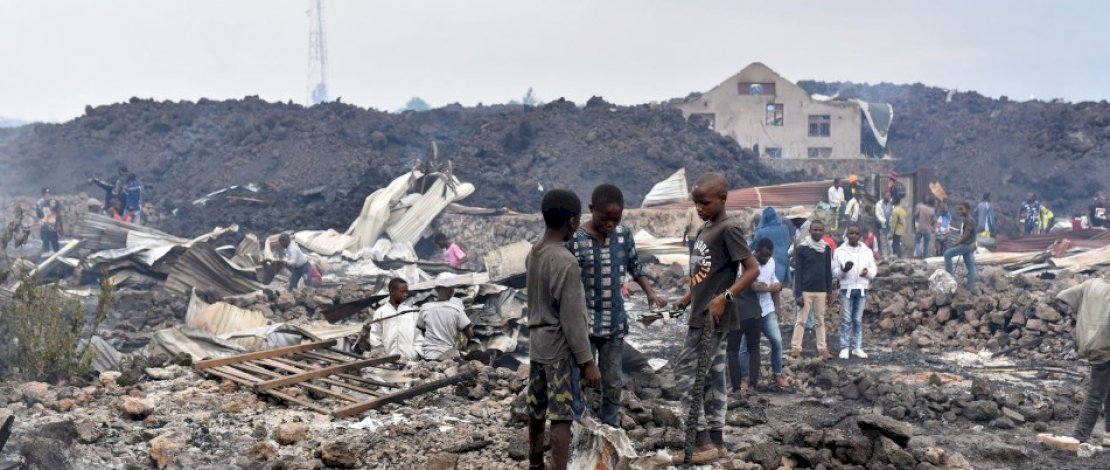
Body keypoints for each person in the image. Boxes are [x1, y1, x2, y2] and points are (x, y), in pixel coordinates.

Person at [672, 173, 758, 464]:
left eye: (704, 202)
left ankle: (700, 442)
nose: (699, 208)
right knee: (712, 378)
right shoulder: (706, 229)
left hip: (713, 318)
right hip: (701, 312)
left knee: (685, 374)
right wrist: (688, 298)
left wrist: (725, 298)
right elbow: (706, 275)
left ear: (723, 199)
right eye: (696, 202)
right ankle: (717, 442)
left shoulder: (728, 229)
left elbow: (751, 270)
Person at [566, 184, 665, 428]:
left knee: (612, 381)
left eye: (615, 219)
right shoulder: (575, 239)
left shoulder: (623, 235)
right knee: (579, 379)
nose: (610, 224)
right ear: (591, 210)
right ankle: (580, 427)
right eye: (604, 218)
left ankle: (609, 428)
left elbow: (634, 266)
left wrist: (650, 293)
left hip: (614, 323)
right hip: (583, 324)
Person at [526, 189, 600, 470]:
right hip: (558, 350)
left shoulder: (535, 252)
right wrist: (587, 362)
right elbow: (573, 319)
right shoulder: (566, 262)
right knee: (561, 416)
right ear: (571, 222)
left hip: (536, 345)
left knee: (536, 408)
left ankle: (535, 464)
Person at [1055, 278, 1110, 446]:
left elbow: (1062, 296)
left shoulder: (1092, 285)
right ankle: (1079, 435)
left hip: (1091, 342)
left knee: (1107, 390)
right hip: (1105, 345)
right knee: (1096, 393)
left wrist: (1075, 316)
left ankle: (1108, 433)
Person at [736, 238, 788, 390]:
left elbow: (776, 284)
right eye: (764, 256)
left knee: (777, 341)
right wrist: (768, 288)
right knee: (745, 347)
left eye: (769, 255)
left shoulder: (771, 262)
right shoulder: (747, 263)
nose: (767, 259)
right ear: (756, 252)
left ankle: (777, 374)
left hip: (766, 309)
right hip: (749, 312)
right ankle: (744, 378)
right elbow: (753, 287)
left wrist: (777, 305)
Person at [791, 220, 833, 361]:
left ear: (823, 231)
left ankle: (822, 348)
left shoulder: (826, 248)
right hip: (805, 291)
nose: (817, 232)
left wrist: (829, 291)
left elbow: (828, 271)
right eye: (815, 230)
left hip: (821, 291)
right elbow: (798, 272)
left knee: (820, 321)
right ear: (810, 231)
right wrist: (798, 293)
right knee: (801, 320)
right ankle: (796, 347)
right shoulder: (802, 248)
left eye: (820, 230)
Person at [833, 224, 877, 359]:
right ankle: (845, 347)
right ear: (847, 235)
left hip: (862, 288)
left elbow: (874, 269)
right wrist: (843, 270)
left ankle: (857, 347)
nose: (853, 236)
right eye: (851, 233)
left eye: (856, 234)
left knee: (857, 319)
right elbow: (834, 271)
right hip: (847, 288)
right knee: (846, 319)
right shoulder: (840, 251)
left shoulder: (867, 251)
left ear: (860, 236)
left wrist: (867, 272)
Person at [417, 273, 473, 361]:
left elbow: (422, 330)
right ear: (452, 290)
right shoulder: (457, 310)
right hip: (449, 357)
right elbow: (470, 334)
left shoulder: (425, 308)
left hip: (429, 356)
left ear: (436, 289)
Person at [366, 278, 421, 361]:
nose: (405, 294)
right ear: (392, 292)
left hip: (409, 360)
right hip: (387, 361)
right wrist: (382, 355)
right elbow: (375, 336)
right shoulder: (381, 312)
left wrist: (415, 352)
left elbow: (418, 336)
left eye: (407, 292)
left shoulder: (411, 312)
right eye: (402, 292)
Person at [753, 207, 793, 310]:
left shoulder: (762, 232)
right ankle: (777, 315)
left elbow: (754, 246)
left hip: (767, 263)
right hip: (783, 263)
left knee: (764, 291)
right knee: (776, 291)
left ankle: (766, 316)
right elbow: (789, 242)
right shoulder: (784, 228)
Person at [943, 202, 978, 290]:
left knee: (947, 254)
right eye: (959, 209)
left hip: (967, 245)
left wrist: (957, 243)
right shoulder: (967, 219)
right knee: (970, 265)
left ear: (968, 209)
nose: (960, 211)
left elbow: (966, 235)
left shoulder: (969, 220)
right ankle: (971, 286)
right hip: (969, 245)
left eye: (962, 209)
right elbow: (964, 232)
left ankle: (949, 279)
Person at [876, 192, 894, 259]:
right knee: (883, 241)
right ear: (883, 196)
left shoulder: (891, 203)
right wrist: (884, 221)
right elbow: (878, 215)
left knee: (890, 242)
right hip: (883, 226)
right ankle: (885, 256)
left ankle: (891, 256)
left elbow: (893, 212)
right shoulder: (878, 204)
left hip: (890, 226)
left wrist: (890, 221)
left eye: (889, 195)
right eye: (887, 195)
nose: (889, 197)